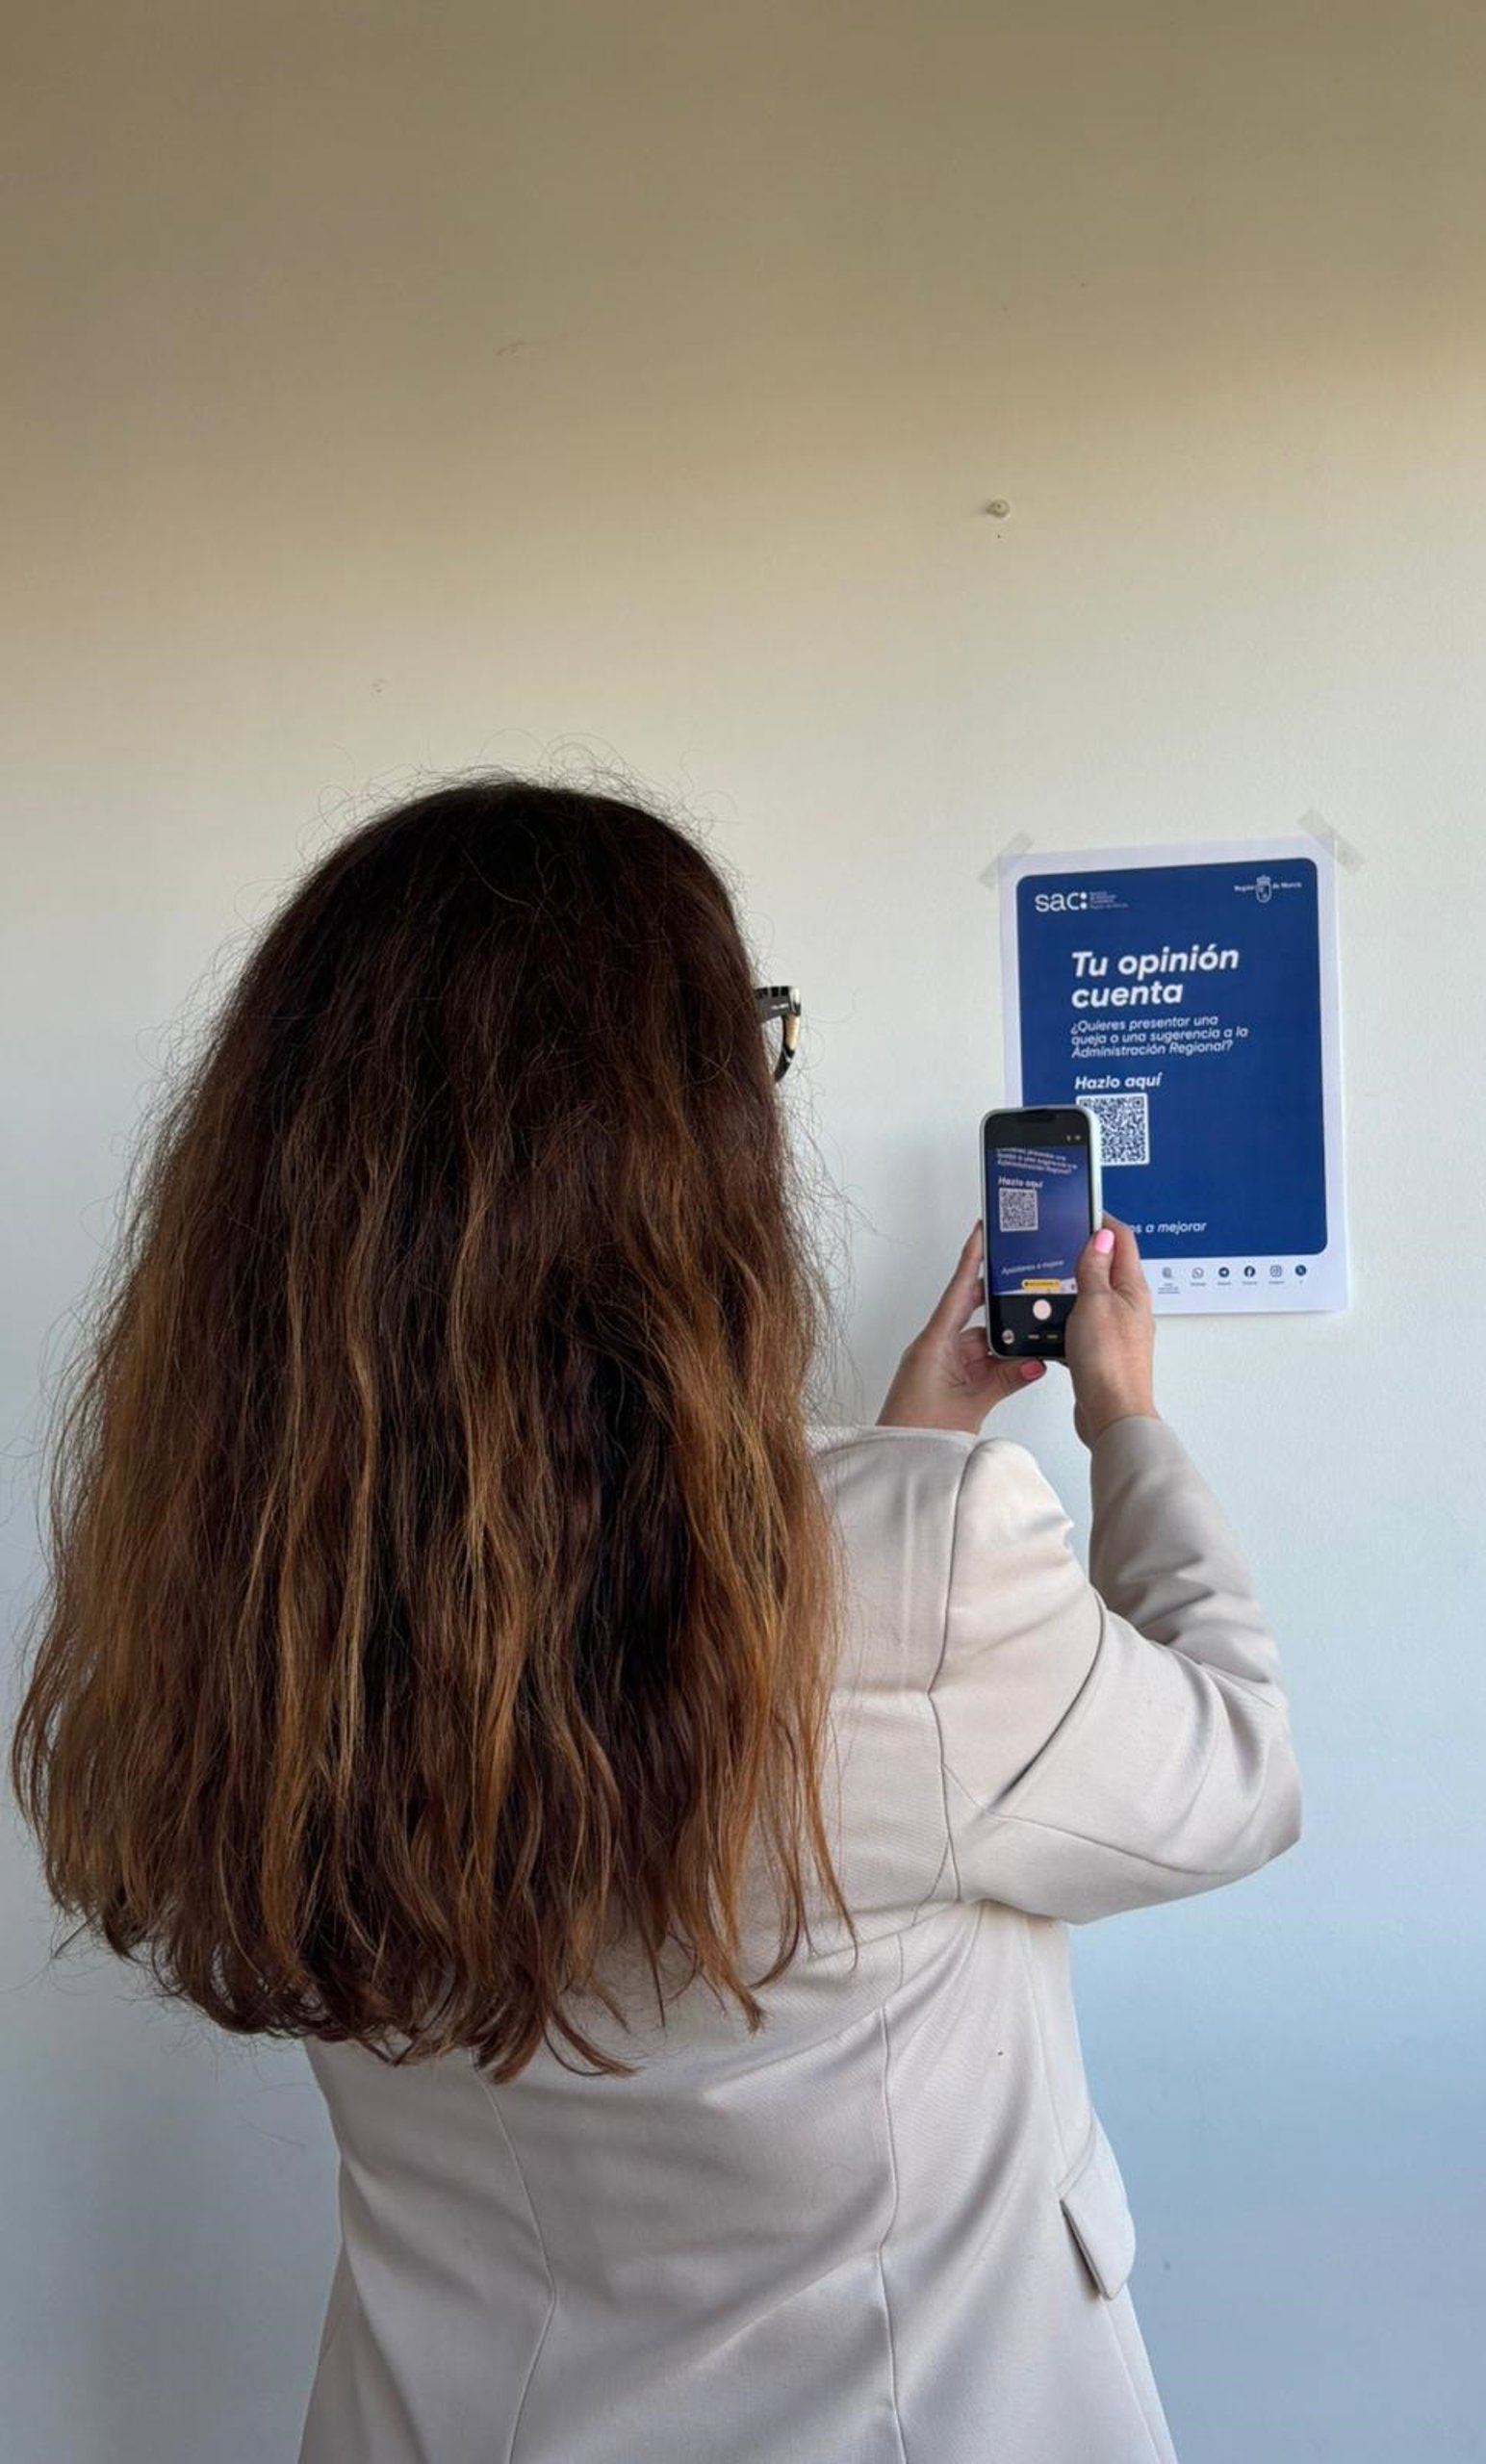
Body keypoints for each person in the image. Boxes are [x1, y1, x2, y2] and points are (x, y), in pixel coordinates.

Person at [12, 777, 1302, 2464]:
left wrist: (911, 1454)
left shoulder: (258, 1595)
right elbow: (1238, 1768)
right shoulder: (927, 1564)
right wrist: (1120, 1417)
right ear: (677, 1146)